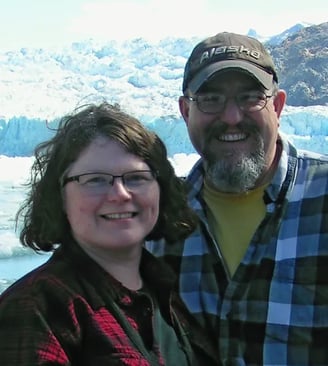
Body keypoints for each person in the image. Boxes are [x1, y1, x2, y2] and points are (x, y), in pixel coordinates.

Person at [147, 32, 328, 365]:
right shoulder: (157, 218)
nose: (231, 117)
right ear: (186, 111)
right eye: (211, 99)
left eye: (249, 97)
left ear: (277, 106)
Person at [0, 102, 218, 365]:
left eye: (136, 177)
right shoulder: (36, 310)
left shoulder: (165, 295)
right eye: (95, 180)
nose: (120, 194)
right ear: (60, 197)